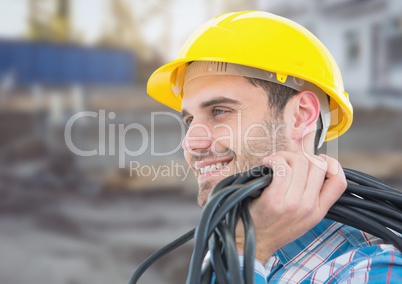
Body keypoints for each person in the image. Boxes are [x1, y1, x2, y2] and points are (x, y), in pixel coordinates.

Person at [146, 11, 402, 283]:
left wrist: (245, 252)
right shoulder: (229, 236)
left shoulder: (374, 267)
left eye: (220, 111)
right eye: (189, 120)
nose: (190, 143)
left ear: (301, 115)